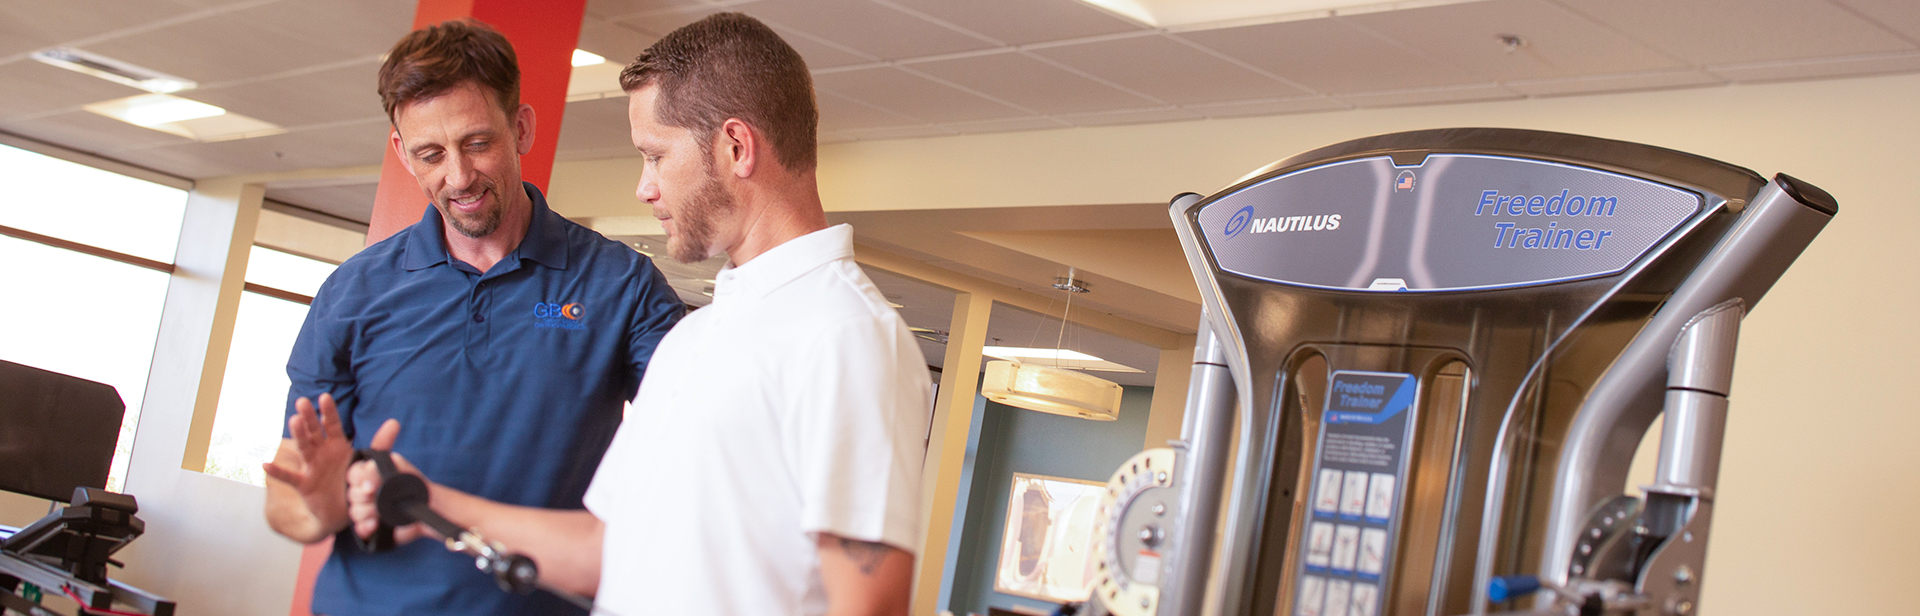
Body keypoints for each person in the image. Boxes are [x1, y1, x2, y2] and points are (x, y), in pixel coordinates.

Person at [345, 12, 931, 616]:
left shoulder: (847, 336)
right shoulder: (697, 337)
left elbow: (868, 604)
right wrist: (427, 500)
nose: (644, 188)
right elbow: (604, 549)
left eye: (655, 156)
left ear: (736, 147)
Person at [261, 18, 685, 616]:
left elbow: (701, 438)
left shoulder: (621, 286)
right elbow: (288, 496)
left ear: (521, 128)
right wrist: (323, 501)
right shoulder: (353, 292)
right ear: (401, 154)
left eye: (477, 143)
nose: (458, 177)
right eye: (430, 154)